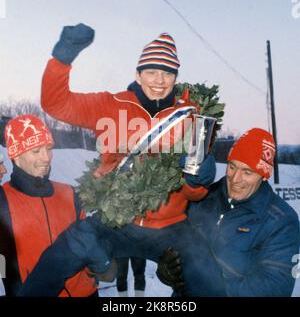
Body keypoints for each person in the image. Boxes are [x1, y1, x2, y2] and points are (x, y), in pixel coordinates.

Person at [17, 24, 217, 297]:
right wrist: (62, 59)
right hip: (115, 223)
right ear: (137, 73)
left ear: (175, 77)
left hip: (172, 227)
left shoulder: (192, 117)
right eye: (152, 72)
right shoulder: (110, 105)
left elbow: (196, 194)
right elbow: (56, 104)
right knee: (62, 253)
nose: (159, 80)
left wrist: (198, 181)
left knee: (207, 277)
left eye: (167, 73)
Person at [160, 128, 300, 297]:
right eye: (232, 167)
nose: (235, 179)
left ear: (264, 176)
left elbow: (274, 287)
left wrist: (208, 286)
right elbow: (176, 243)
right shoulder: (203, 198)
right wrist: (167, 269)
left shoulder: (282, 221)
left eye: (247, 172)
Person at [0, 114, 115, 297]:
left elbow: (89, 246)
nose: (46, 158)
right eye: (36, 151)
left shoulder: (69, 193)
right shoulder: (3, 201)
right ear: (16, 155)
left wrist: (99, 262)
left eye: (49, 148)